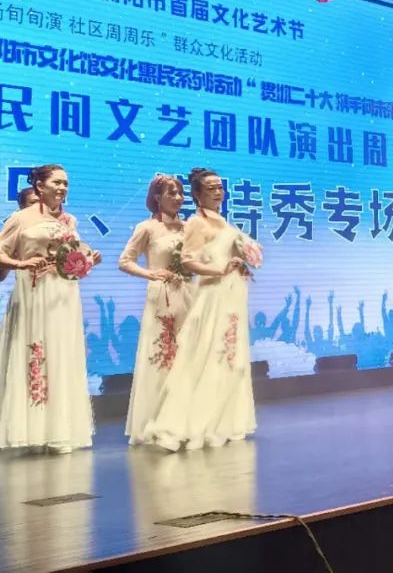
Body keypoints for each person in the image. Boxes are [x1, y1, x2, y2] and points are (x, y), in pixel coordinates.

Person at [140, 167, 258, 451]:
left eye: (220, 187)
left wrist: (241, 262)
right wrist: (218, 270)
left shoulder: (224, 223)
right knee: (206, 355)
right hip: (211, 294)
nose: (217, 192)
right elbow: (188, 260)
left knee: (229, 356)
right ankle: (188, 424)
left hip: (231, 296)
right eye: (210, 188)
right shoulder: (196, 222)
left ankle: (223, 421)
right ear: (197, 195)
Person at [0, 165, 100, 452]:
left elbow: (69, 256)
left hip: (64, 294)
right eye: (57, 182)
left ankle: (60, 430)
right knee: (37, 355)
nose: (62, 188)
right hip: (35, 292)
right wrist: (20, 263)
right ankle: (33, 430)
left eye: (65, 183)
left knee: (62, 355)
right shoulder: (21, 218)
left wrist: (87, 259)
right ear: (40, 186)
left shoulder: (69, 220)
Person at [118, 175, 196, 443]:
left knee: (189, 356)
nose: (178, 198)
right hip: (162, 296)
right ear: (157, 197)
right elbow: (125, 261)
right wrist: (151, 274)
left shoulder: (189, 228)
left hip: (189, 293)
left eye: (181, 193)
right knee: (163, 356)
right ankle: (159, 423)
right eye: (171, 193)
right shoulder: (147, 228)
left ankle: (187, 421)